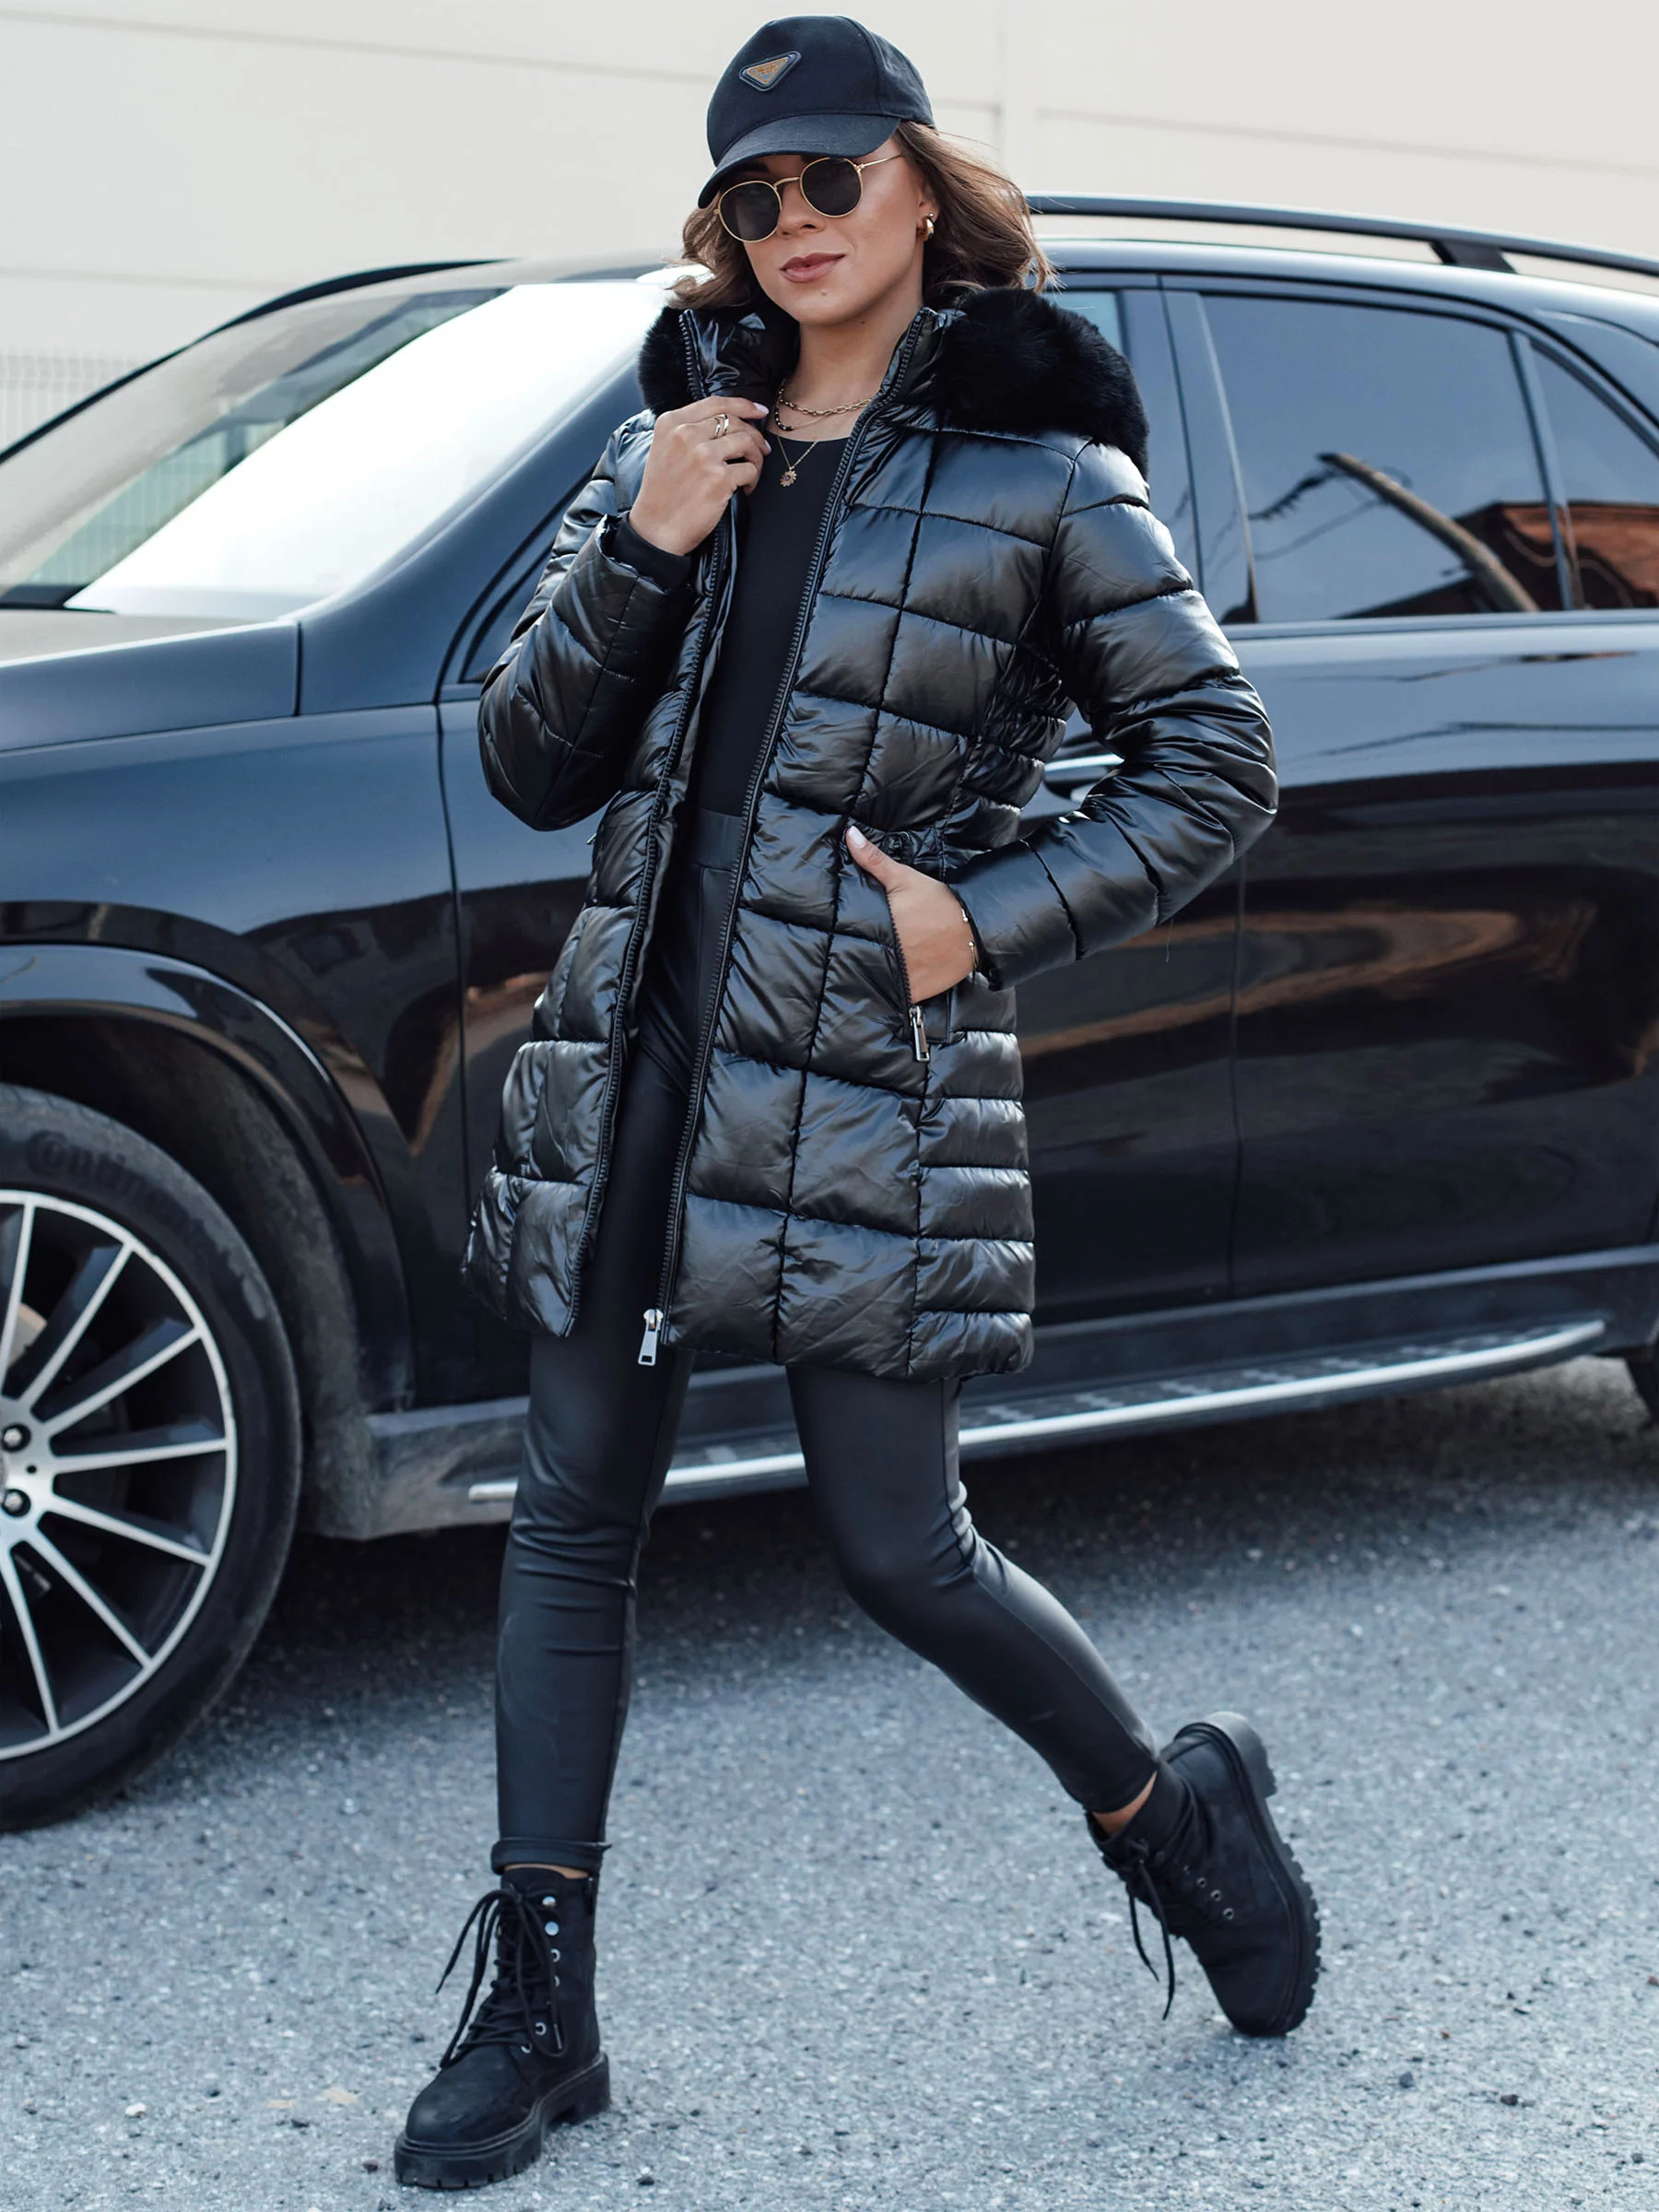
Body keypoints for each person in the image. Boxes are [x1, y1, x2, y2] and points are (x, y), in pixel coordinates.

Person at [394, 16, 1316, 2191]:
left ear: (920, 184)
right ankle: (541, 2009)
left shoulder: (1040, 473)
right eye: (756, 193)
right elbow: (532, 761)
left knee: (903, 1547)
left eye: (832, 176)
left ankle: (1172, 1817)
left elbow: (1217, 760)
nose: (795, 221)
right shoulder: (675, 442)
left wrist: (976, 923)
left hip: (863, 1066)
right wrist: (646, 539)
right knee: (572, 1512)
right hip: (637, 1048)